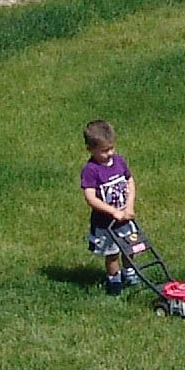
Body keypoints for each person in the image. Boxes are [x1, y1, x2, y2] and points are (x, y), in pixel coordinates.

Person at [80, 120, 141, 295]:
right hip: (106, 223)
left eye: (111, 148)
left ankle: (130, 272)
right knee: (112, 253)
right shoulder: (91, 170)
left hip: (126, 218)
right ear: (90, 149)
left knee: (131, 247)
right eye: (104, 150)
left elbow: (130, 181)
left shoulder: (119, 161)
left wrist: (129, 206)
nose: (110, 153)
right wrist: (114, 212)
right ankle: (114, 279)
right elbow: (90, 198)